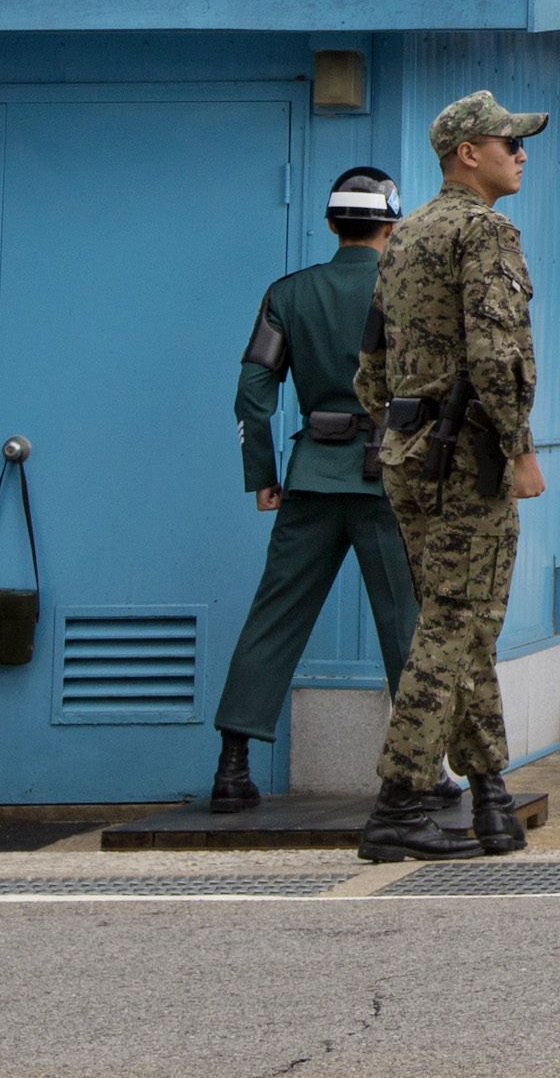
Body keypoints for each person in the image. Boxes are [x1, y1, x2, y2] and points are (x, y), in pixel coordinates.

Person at [354, 92, 550, 863]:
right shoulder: (483, 230)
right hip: (466, 455)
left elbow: (371, 359)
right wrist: (518, 446)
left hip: (408, 450)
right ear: (468, 151)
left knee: (459, 622)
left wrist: (396, 423)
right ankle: (400, 798)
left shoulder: (404, 238)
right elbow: (499, 354)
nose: (521, 153)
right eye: (510, 141)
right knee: (455, 622)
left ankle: (491, 796)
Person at [207, 168, 434, 814]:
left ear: (333, 223)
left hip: (311, 475)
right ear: (392, 224)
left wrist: (263, 476)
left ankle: (231, 767)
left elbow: (253, 393)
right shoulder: (413, 292)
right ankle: (420, 773)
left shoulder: (288, 293)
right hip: (392, 479)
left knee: (274, 617)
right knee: (406, 621)